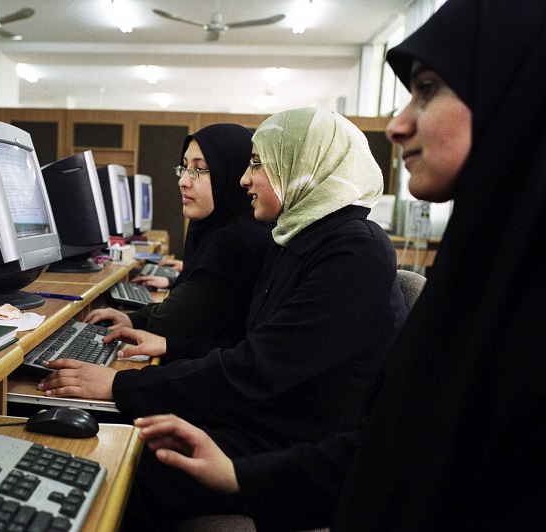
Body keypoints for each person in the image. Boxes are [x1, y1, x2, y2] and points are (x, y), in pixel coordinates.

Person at [136, 1, 546, 529]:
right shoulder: (482, 276)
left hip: (285, 435)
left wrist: (130, 388)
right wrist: (239, 477)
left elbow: (264, 370)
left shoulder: (352, 249)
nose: (396, 126)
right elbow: (386, 450)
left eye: (426, 89)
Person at [40, 107, 408, 528]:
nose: (244, 179)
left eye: (257, 164)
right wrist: (171, 348)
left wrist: (120, 385)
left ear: (302, 168)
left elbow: (256, 368)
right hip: (265, 420)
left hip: (294, 452)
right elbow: (254, 347)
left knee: (120, 464)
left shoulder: (352, 251)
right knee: (119, 435)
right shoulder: (297, 238)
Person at [85, 124, 273, 353]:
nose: (183, 181)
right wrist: (134, 319)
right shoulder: (225, 227)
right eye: (184, 168)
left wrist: (135, 320)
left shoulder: (237, 240)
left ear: (231, 173)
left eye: (199, 169)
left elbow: (174, 323)